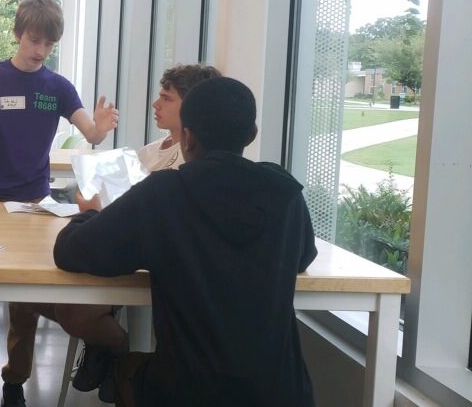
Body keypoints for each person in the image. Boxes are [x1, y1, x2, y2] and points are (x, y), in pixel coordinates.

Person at [53, 77, 317, 406]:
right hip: (282, 393)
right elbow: (304, 256)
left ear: (187, 137)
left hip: (186, 391)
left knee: (123, 370)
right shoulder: (284, 193)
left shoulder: (166, 193)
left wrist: (90, 213)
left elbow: (69, 252)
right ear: (251, 135)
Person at [0, 0, 119, 407]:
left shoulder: (58, 87)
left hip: (34, 202)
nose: (39, 51)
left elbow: (92, 133)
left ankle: (15, 381)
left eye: (48, 44)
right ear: (17, 34)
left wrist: (100, 129)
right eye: (33, 40)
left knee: (26, 301)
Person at [36, 63, 224, 402]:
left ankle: (114, 349)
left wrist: (96, 214)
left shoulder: (196, 162)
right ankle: (108, 347)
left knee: (71, 308)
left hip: (145, 262)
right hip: (119, 246)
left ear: (194, 107)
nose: (155, 104)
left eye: (166, 98)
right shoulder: (156, 148)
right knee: (36, 295)